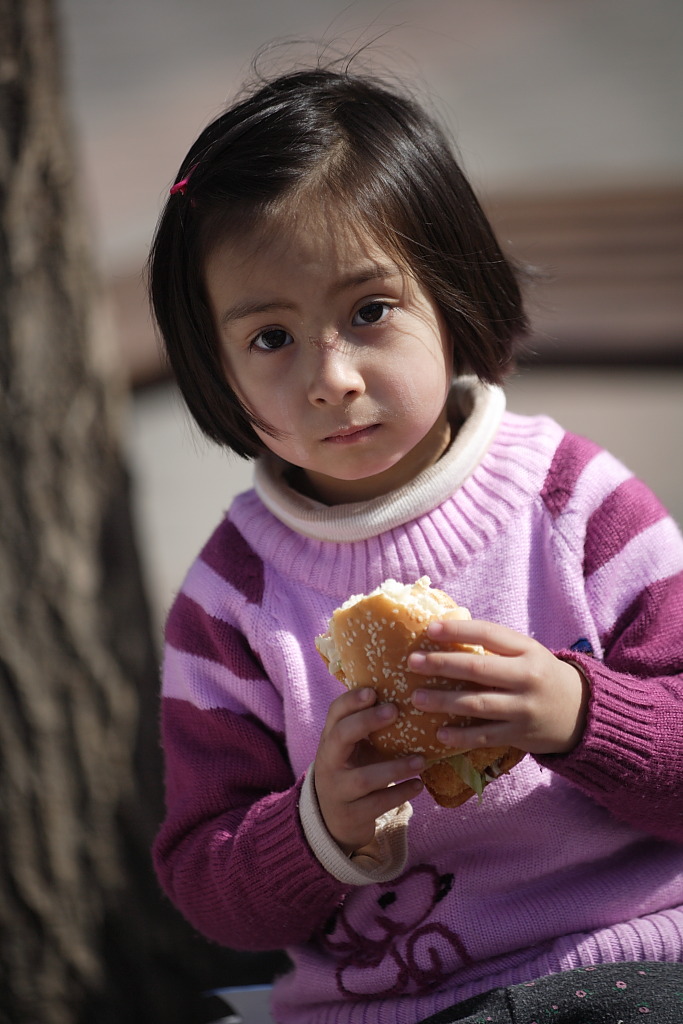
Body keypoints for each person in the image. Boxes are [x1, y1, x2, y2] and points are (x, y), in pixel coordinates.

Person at [148, 61, 683, 1024]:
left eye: (369, 312)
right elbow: (203, 877)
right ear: (213, 370)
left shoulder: (574, 504)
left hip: (633, 956)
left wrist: (579, 714)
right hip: (394, 1006)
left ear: (451, 296)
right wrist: (317, 827)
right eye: (271, 338)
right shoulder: (231, 600)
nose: (333, 378)